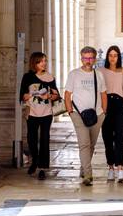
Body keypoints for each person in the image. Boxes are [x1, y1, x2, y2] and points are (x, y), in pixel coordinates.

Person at [63, 46, 107, 185]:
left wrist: (104, 112)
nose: (88, 61)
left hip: (97, 114)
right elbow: (67, 94)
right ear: (81, 58)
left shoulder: (98, 74)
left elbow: (103, 94)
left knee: (92, 145)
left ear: (94, 59)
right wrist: (70, 112)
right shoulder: (74, 74)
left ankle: (84, 166)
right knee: (84, 144)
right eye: (85, 58)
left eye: (90, 58)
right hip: (78, 115)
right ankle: (88, 175)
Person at [19, 52, 60, 180]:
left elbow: (56, 95)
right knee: (31, 139)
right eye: (41, 61)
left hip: (46, 113)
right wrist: (33, 94)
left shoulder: (50, 77)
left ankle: (42, 168)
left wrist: (48, 96)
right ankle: (34, 161)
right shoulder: (28, 77)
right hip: (32, 113)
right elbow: (22, 96)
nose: (44, 63)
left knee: (44, 139)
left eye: (45, 61)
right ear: (34, 63)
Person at [100, 44, 123, 181]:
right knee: (107, 138)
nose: (113, 58)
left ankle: (120, 168)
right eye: (110, 55)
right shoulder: (100, 71)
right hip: (105, 105)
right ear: (107, 57)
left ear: (118, 57)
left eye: (115, 55)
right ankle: (110, 168)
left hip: (119, 105)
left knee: (120, 136)